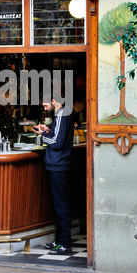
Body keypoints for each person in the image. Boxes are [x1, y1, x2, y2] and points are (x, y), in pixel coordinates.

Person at [33, 96, 85, 255]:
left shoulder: (61, 114)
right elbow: (59, 135)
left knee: (61, 205)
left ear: (54, 100)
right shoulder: (66, 113)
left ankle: (64, 243)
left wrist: (43, 134)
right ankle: (59, 240)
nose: (43, 105)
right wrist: (49, 130)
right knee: (59, 204)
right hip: (60, 164)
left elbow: (58, 142)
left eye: (45, 102)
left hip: (58, 164)